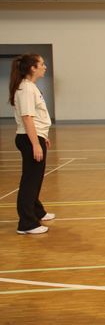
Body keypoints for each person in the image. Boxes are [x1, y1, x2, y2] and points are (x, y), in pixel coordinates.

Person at [9, 54, 54, 235]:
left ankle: (37, 211)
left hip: (34, 136)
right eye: (42, 64)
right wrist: (35, 143)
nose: (45, 67)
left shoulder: (30, 87)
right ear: (32, 68)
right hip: (29, 139)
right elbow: (27, 118)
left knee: (35, 179)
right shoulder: (26, 88)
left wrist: (42, 136)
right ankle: (27, 224)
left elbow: (35, 118)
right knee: (30, 181)